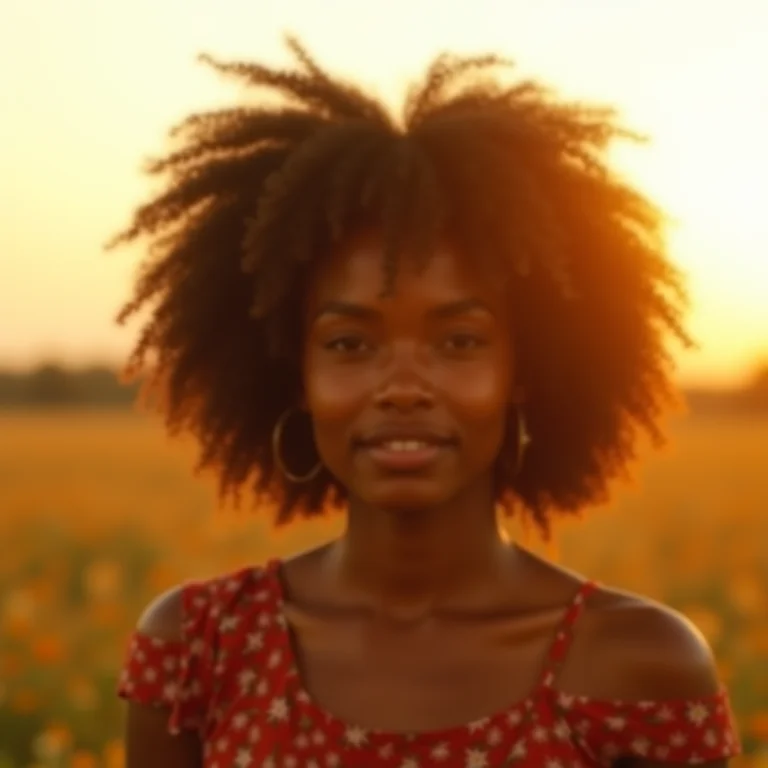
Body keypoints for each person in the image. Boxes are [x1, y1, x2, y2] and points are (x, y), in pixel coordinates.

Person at [111, 36, 741, 767]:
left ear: (524, 371)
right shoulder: (198, 646)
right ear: (295, 377)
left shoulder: (640, 665)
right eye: (350, 343)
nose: (403, 386)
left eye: (459, 341)